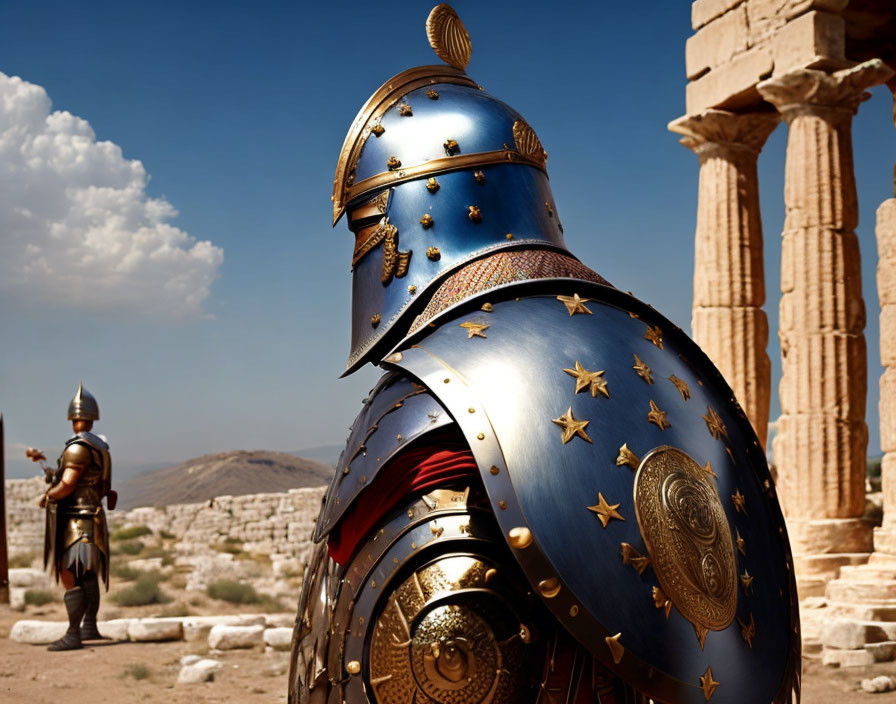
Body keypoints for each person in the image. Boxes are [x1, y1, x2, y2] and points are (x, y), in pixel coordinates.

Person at [289, 6, 800, 703]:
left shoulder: (438, 395)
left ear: (403, 219)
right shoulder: (671, 362)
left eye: (366, 230)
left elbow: (409, 637)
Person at [35, 383, 114, 651]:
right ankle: (89, 626)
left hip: (76, 519)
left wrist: (49, 495)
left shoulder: (77, 448)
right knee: (88, 574)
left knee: (69, 573)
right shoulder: (101, 446)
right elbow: (100, 485)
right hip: (93, 516)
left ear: (74, 419)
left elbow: (68, 485)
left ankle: (73, 634)